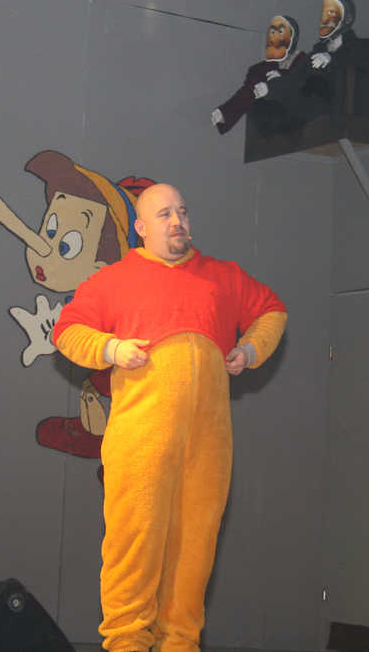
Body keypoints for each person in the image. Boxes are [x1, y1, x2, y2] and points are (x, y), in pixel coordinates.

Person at [52, 183, 287, 652]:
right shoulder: (114, 279)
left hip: (208, 447)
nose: (177, 220)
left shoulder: (222, 276)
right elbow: (67, 331)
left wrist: (249, 350)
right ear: (140, 227)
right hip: (141, 441)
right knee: (133, 547)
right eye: (164, 214)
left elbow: (272, 310)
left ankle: (181, 643)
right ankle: (126, 644)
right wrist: (111, 348)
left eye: (182, 211)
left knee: (195, 552)